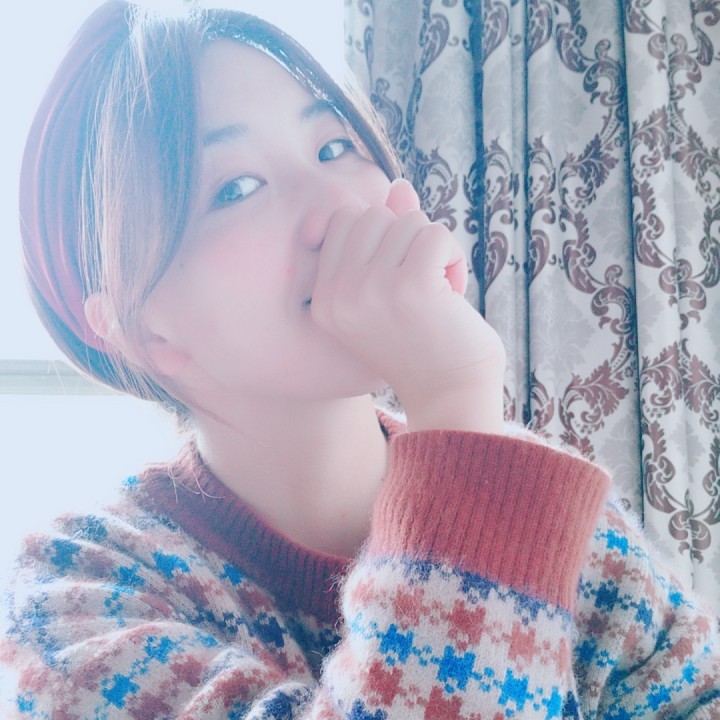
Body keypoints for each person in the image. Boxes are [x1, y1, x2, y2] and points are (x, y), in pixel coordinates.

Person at [1, 1, 718, 717]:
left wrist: (468, 445)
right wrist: (456, 418)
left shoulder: (551, 510)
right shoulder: (75, 597)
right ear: (146, 334)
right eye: (236, 187)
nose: (340, 204)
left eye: (333, 147)